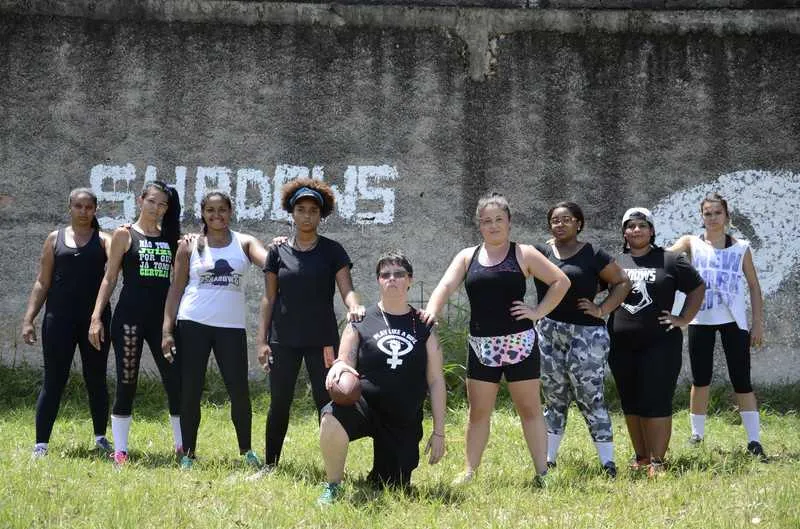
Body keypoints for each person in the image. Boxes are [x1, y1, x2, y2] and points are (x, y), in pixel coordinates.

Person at [422, 192, 570, 485]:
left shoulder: (524, 253)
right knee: (478, 413)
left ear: (509, 222)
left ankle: (543, 472)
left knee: (529, 410)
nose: (493, 226)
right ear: (480, 225)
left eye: (498, 220)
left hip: (521, 344)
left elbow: (560, 281)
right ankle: (469, 471)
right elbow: (445, 285)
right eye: (487, 221)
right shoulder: (467, 256)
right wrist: (430, 312)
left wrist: (538, 311)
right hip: (482, 346)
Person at [317, 251, 446, 505]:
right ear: (378, 280)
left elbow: (436, 381)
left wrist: (439, 432)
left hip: (402, 417)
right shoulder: (361, 320)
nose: (392, 279)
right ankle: (333, 484)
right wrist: (338, 368)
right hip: (365, 405)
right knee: (331, 415)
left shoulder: (423, 326)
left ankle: (383, 469)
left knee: (390, 486)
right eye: (385, 274)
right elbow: (344, 360)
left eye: (399, 274)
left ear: (410, 279)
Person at [256, 178, 365, 470]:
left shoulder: (332, 251)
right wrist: (262, 340)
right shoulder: (277, 252)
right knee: (279, 403)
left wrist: (354, 306)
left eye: (313, 211)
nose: (307, 215)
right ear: (292, 212)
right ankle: (270, 465)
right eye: (301, 209)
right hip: (283, 339)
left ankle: (333, 468)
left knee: (327, 402)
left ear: (321, 215)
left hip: (322, 340)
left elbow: (347, 290)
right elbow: (268, 298)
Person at [161, 191, 267, 469]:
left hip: (230, 327)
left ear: (231, 211)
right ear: (203, 213)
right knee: (191, 391)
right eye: (210, 210)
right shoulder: (190, 245)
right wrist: (167, 330)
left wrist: (281, 244)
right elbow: (176, 288)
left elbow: (270, 262)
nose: (216, 215)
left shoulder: (244, 243)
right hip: (192, 322)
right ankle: (189, 454)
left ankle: (246, 450)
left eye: (222, 210)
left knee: (239, 391)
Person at [534, 202, 632, 477]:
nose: (560, 224)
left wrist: (601, 309)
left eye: (567, 219)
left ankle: (607, 463)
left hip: (586, 335)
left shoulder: (592, 253)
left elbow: (622, 281)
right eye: (555, 220)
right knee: (554, 397)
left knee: (591, 396)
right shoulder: (541, 252)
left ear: (579, 223)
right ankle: (549, 459)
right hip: (550, 332)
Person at [88, 180, 182, 466]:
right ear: (141, 200)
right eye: (151, 201)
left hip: (162, 322)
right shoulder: (124, 235)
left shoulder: (172, 238)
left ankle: (182, 448)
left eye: (162, 204)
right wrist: (95, 317)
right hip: (129, 319)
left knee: (175, 380)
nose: (156, 208)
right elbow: (110, 277)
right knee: (127, 381)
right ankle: (121, 451)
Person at [668, 193, 767, 460]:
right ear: (702, 217)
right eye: (707, 213)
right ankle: (697, 435)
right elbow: (665, 255)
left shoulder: (741, 247)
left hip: (734, 322)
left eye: (717, 213)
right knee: (700, 379)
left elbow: (754, 286)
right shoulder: (691, 242)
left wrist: (756, 323)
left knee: (742, 380)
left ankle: (754, 441)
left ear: (727, 216)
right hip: (700, 320)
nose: (712, 218)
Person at [608, 207, 705, 477]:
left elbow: (697, 287)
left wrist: (683, 318)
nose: (636, 230)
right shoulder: (614, 261)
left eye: (642, 225)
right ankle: (641, 457)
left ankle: (658, 461)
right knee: (630, 401)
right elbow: (585, 282)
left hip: (660, 344)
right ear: (624, 232)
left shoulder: (671, 260)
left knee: (656, 400)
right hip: (620, 344)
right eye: (630, 226)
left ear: (651, 230)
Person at [22, 188, 113, 458]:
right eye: (78, 206)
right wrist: (29, 319)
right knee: (54, 380)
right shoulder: (54, 239)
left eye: (88, 207)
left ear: (95, 209)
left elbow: (124, 255)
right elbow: (42, 281)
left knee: (96, 379)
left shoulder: (105, 240)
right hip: (58, 320)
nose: (83, 212)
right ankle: (41, 444)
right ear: (69, 207)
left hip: (94, 322)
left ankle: (100, 437)